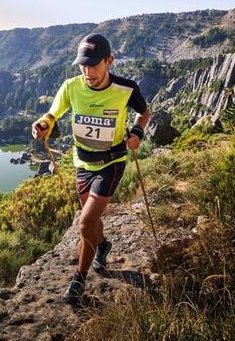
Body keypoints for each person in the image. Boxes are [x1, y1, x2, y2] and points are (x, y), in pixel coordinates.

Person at [32, 33, 151, 304]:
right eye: (83, 65)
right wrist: (42, 125)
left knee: (85, 224)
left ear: (109, 61)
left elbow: (145, 113)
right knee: (92, 224)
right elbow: (52, 115)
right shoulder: (71, 87)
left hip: (112, 163)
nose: (87, 71)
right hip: (82, 164)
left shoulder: (126, 88)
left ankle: (79, 279)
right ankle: (103, 245)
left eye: (94, 64)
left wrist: (137, 133)